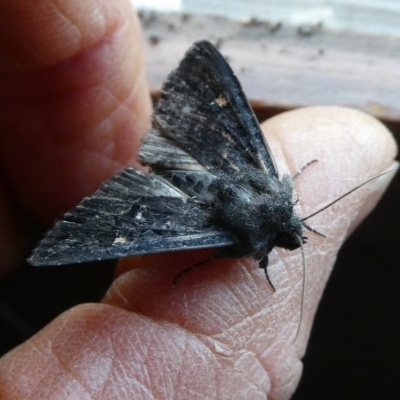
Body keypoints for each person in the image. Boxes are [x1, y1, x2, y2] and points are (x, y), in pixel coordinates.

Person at [0, 1, 396, 398]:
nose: (296, 237)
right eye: (294, 231)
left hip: (211, 160)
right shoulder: (248, 239)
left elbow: (281, 206)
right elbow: (228, 253)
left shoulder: (275, 188)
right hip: (190, 212)